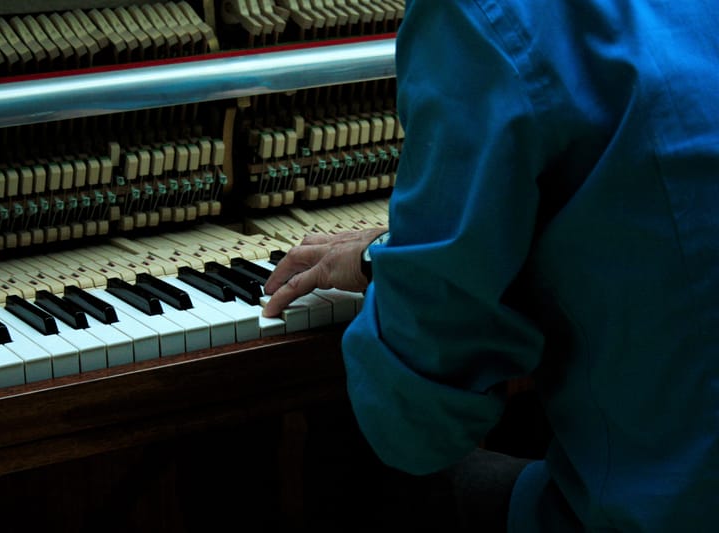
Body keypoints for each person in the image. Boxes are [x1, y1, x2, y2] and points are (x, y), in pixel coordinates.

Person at [262, 0, 719, 531]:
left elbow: (418, 430)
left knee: (345, 457)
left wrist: (390, 261)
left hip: (659, 513)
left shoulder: (476, 13)